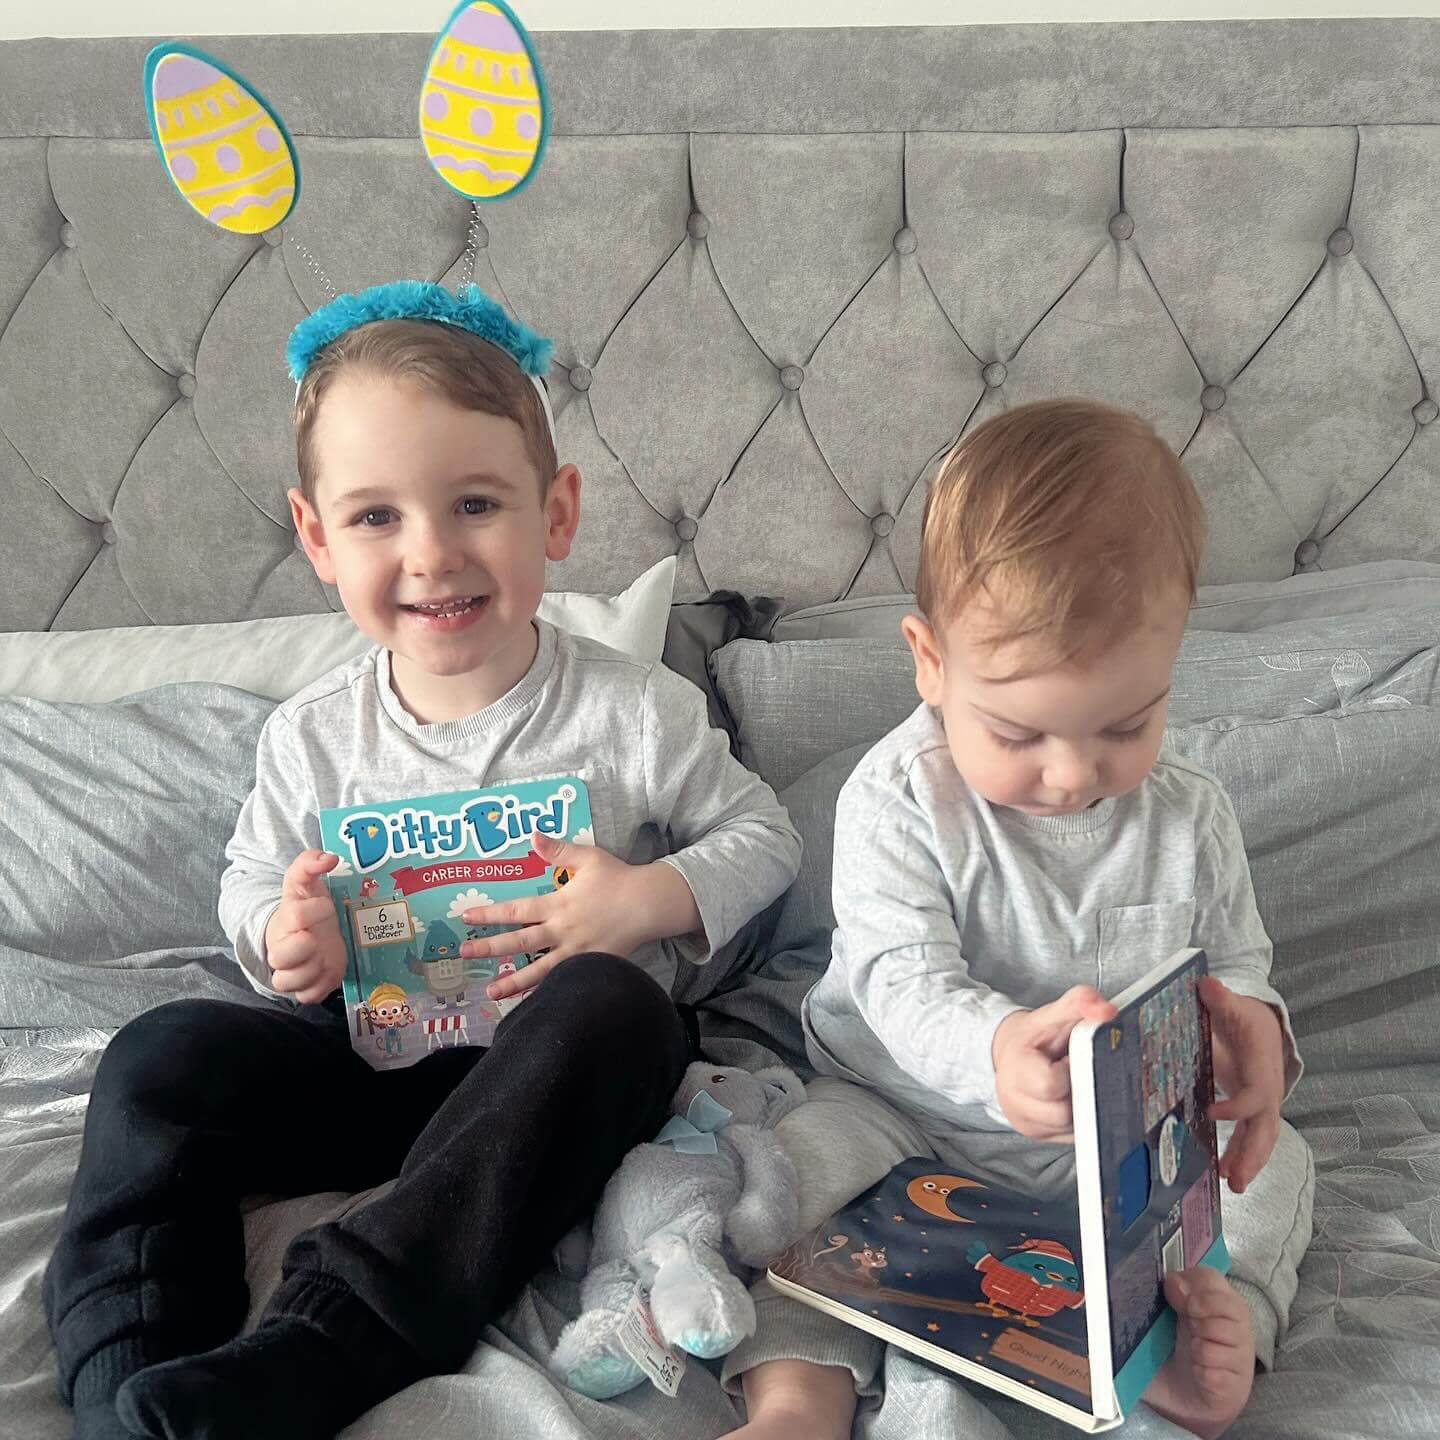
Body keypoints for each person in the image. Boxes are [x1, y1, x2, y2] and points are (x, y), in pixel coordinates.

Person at [43, 282, 802, 1440]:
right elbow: (249, 882)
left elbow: (768, 838)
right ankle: (128, 1391)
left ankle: (325, 1345)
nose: (433, 554)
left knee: (618, 1008)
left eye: (475, 503)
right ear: (315, 536)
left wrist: (645, 898)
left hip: (551, 1085)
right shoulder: (312, 735)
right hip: (367, 1059)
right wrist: (280, 932)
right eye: (377, 517)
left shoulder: (634, 711)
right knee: (159, 1054)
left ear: (556, 512)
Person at [723, 399, 1313, 1440]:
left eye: (1128, 723)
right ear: (929, 661)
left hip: (1114, 1151)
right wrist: (994, 1046)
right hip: (902, 1112)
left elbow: (1238, 966)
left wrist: (1256, 1032)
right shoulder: (897, 798)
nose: (1077, 773)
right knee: (800, 1178)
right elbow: (899, 982)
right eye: (1019, 730)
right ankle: (796, 1399)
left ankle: (1196, 1339)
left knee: (1279, 1168)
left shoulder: (1194, 816)